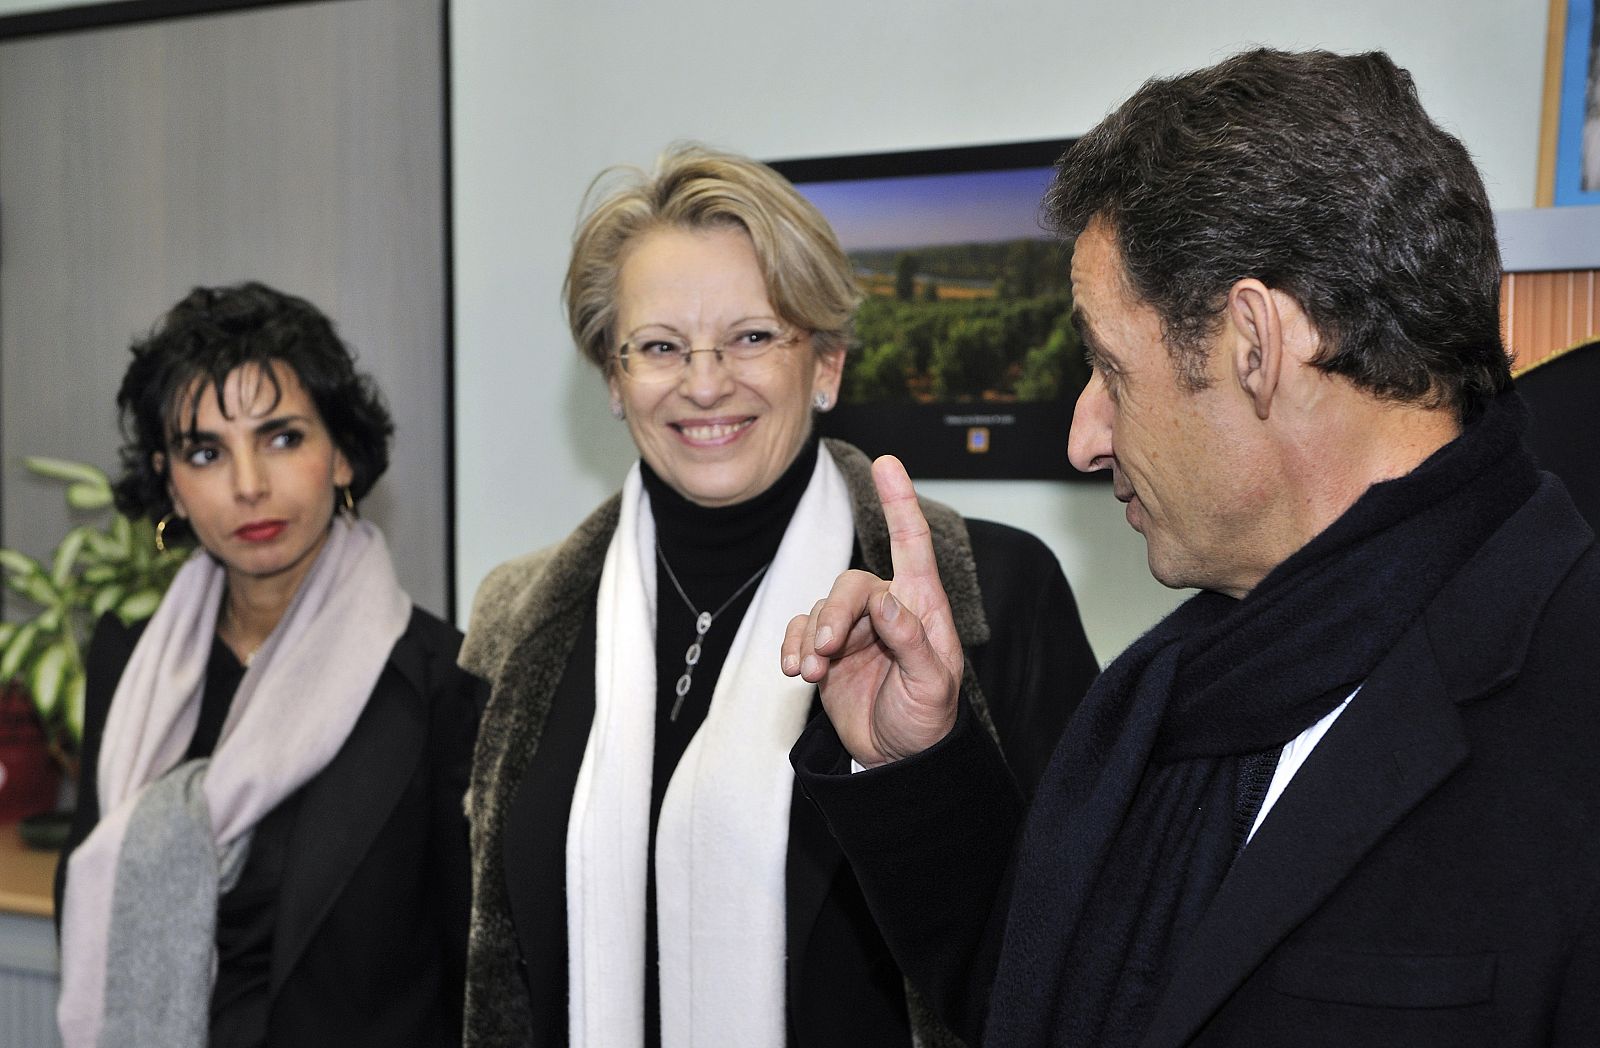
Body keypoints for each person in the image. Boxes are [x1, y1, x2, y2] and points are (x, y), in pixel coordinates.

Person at [784, 49, 1600, 1047]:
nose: (1084, 437)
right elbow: (1037, 1000)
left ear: (1254, 344)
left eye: (1108, 368)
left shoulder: (1565, 709)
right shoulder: (1170, 685)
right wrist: (915, 766)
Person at [459, 144, 1098, 1048]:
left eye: (754, 335)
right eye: (660, 346)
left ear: (827, 364)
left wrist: (918, 764)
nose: (706, 381)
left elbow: (1067, 945)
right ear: (614, 377)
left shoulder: (988, 592)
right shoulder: (515, 618)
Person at [55, 283, 483, 1048]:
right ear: (171, 485)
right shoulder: (127, 665)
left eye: (283, 437)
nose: (249, 484)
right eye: (206, 452)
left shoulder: (439, 680)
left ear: (343, 456)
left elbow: (474, 975)